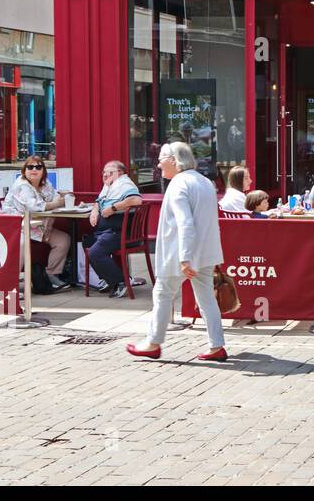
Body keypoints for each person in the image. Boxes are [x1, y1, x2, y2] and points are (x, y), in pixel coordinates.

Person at [128, 142, 226, 362]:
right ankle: (216, 345)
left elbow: (185, 224)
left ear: (173, 160)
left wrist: (184, 258)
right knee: (207, 298)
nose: (159, 164)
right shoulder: (205, 182)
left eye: (162, 158)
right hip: (205, 252)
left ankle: (153, 343)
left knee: (162, 294)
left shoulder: (178, 184)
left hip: (181, 254)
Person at [2, 155, 72, 293]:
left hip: (37, 226)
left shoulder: (45, 184)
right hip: (16, 226)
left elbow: (55, 197)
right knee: (21, 244)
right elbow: (34, 207)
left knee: (63, 240)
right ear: (24, 170)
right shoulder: (21, 185)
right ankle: (11, 285)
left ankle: (51, 274)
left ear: (43, 171)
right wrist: (57, 203)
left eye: (38, 167)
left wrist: (62, 198)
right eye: (30, 167)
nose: (34, 169)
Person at [82, 160, 143, 298]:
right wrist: (94, 211)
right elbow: (99, 201)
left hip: (120, 232)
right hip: (107, 231)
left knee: (95, 253)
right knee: (87, 242)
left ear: (120, 173)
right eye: (103, 172)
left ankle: (121, 282)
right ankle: (107, 278)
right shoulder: (109, 186)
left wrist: (113, 208)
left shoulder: (125, 184)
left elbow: (136, 200)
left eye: (109, 172)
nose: (105, 175)